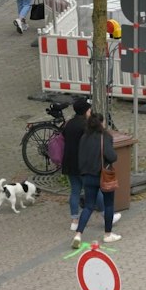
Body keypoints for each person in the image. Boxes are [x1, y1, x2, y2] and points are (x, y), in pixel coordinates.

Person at [73, 111, 121, 244]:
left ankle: (78, 234)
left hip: (87, 176)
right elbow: (112, 156)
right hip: (103, 176)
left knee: (88, 206)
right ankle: (108, 234)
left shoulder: (84, 137)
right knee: (109, 204)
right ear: (101, 123)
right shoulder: (105, 137)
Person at [62, 98, 90, 231]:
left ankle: (74, 220)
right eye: (89, 109)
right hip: (82, 163)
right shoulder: (86, 125)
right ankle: (108, 215)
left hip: (69, 162)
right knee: (93, 190)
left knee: (75, 191)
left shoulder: (69, 123)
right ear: (85, 111)